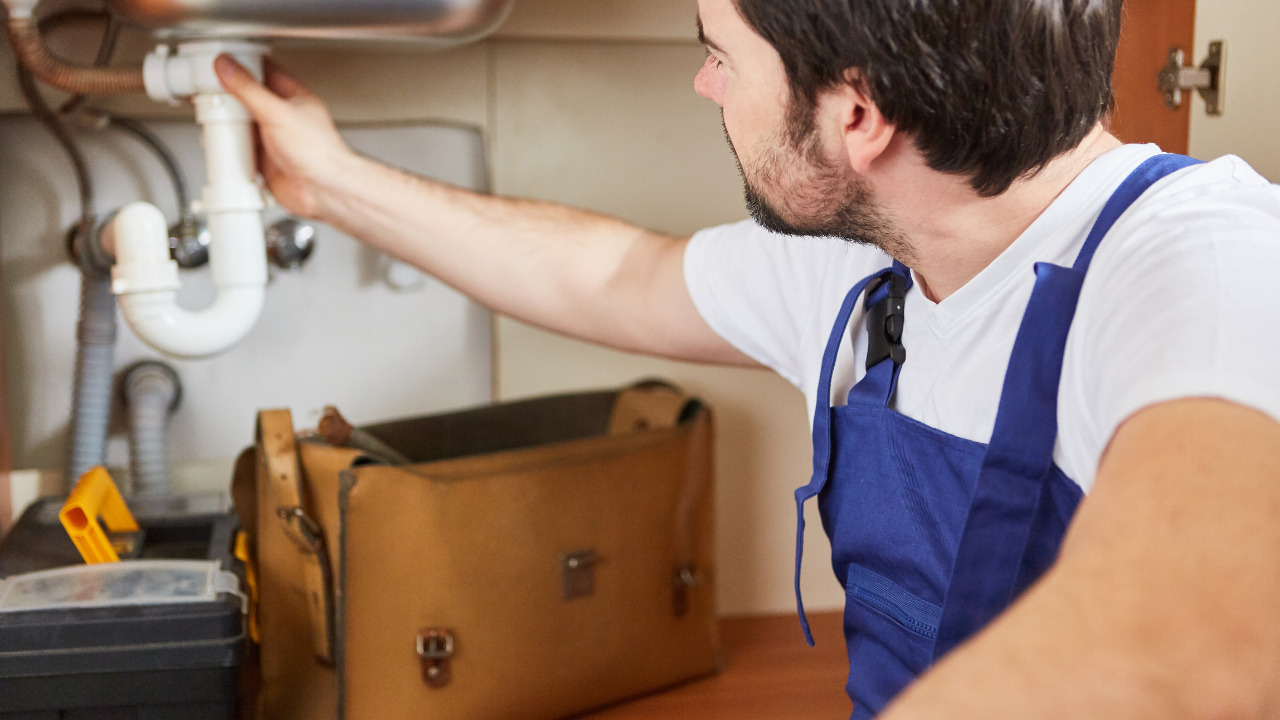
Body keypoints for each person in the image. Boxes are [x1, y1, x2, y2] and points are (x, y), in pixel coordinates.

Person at [215, 0, 1280, 716]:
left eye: (721, 54)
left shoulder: (1203, 259)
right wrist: (331, 183)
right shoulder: (878, 259)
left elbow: (1197, 634)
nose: (704, 84)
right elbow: (614, 278)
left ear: (854, 115)